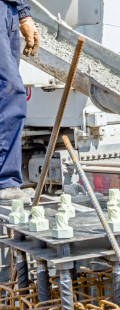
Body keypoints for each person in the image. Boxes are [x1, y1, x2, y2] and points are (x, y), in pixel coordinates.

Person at [0, 0, 39, 201]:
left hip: (9, 9)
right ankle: (5, 181)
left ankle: (7, 181)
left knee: (8, 93)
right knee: (10, 91)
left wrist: (23, 13)